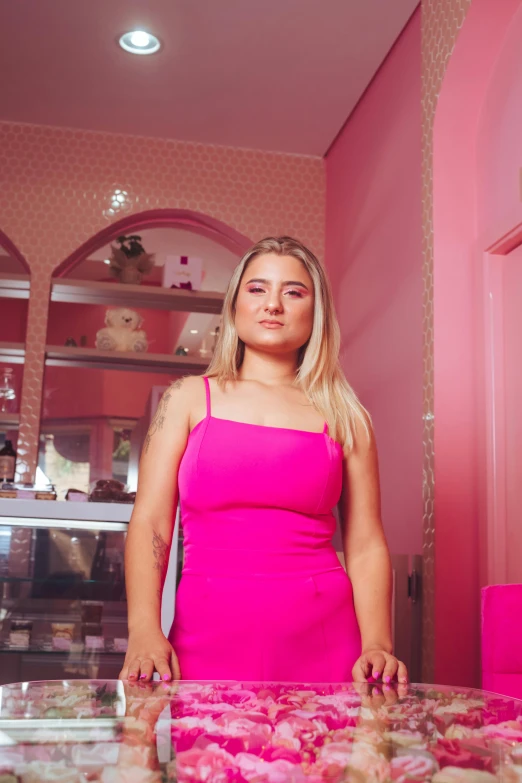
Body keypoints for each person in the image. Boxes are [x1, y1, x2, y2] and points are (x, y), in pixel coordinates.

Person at [119, 236, 408, 686]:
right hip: (204, 637)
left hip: (326, 643)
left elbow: (367, 541)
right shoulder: (187, 398)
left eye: (293, 292)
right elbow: (152, 522)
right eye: (257, 289)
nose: (273, 304)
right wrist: (143, 629)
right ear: (234, 304)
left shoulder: (347, 416)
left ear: (316, 312)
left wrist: (378, 644)